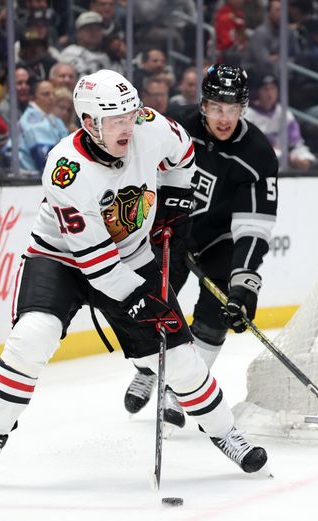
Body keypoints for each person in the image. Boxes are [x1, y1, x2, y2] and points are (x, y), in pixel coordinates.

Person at [0, 69, 269, 483]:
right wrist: (141, 299)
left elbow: (184, 154)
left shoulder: (149, 126)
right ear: (89, 123)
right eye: (116, 120)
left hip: (132, 255)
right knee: (34, 335)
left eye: (131, 114)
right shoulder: (66, 170)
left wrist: (174, 204)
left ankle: (227, 433)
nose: (128, 126)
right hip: (61, 259)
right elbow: (97, 265)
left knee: (178, 358)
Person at [123, 64, 279, 427]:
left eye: (232, 109)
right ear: (203, 104)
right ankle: (149, 368)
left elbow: (254, 226)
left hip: (218, 239)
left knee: (217, 310)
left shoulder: (257, 154)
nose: (224, 119)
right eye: (215, 108)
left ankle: (180, 390)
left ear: (243, 108)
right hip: (169, 229)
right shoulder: (173, 127)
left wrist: (245, 284)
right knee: (152, 302)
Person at [245, 71, 315, 170]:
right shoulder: (247, 115)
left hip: (284, 156)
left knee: (305, 158)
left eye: (273, 89)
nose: (269, 93)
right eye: (265, 89)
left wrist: (297, 157)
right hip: (257, 162)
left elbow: (296, 143)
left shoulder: (283, 113)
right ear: (258, 92)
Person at [17, 79, 68, 172]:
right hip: (32, 178)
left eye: (53, 94)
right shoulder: (31, 120)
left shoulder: (53, 118)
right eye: (46, 94)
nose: (51, 97)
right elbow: (44, 159)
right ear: (32, 97)